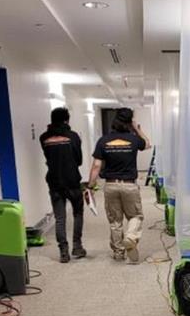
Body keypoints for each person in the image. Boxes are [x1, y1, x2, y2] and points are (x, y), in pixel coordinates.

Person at [87, 108, 151, 263]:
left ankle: (118, 253)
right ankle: (130, 236)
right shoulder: (133, 139)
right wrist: (137, 129)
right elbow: (148, 144)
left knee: (115, 221)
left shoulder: (103, 140)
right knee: (135, 215)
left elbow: (96, 166)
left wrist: (90, 186)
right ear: (130, 122)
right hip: (129, 185)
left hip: (110, 185)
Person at [39, 107, 87, 263]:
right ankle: (77, 247)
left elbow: (48, 158)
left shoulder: (44, 138)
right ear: (67, 120)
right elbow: (79, 160)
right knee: (77, 214)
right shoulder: (73, 137)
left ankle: (63, 252)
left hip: (54, 181)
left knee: (60, 218)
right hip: (72, 180)